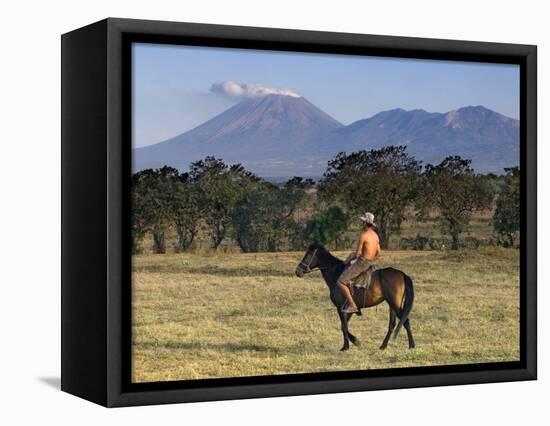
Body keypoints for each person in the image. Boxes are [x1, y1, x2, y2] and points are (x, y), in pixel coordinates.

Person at [338, 212, 381, 314]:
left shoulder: (363, 235)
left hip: (362, 263)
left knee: (341, 281)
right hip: (370, 263)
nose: (361, 224)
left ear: (365, 223)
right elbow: (378, 254)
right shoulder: (375, 236)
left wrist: (348, 260)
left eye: (362, 222)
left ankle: (353, 305)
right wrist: (370, 260)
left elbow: (357, 254)